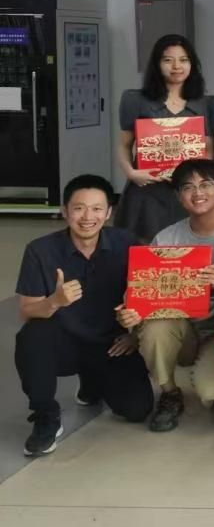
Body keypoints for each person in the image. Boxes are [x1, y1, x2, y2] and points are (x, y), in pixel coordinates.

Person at [117, 159, 214, 432]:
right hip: (183, 328)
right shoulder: (166, 238)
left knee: (210, 391)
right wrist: (131, 314)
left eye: (205, 184)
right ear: (178, 196)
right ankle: (170, 393)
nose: (198, 193)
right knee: (155, 328)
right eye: (188, 187)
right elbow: (141, 290)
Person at [15, 175, 153, 457]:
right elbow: (27, 311)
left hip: (112, 344)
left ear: (108, 212)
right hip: (63, 343)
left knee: (137, 409)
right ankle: (45, 416)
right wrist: (54, 301)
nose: (88, 217)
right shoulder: (40, 250)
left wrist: (134, 332)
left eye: (97, 208)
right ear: (65, 211)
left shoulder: (128, 244)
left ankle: (93, 381)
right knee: (32, 335)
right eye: (78, 208)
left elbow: (149, 299)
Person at [114, 34, 214, 241]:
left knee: (189, 246)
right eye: (168, 60)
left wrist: (200, 182)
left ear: (192, 64)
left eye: (183, 60)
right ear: (157, 64)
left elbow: (208, 149)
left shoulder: (206, 103)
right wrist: (131, 173)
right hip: (147, 191)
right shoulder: (136, 100)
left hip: (189, 191)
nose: (176, 66)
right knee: (145, 248)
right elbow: (124, 145)